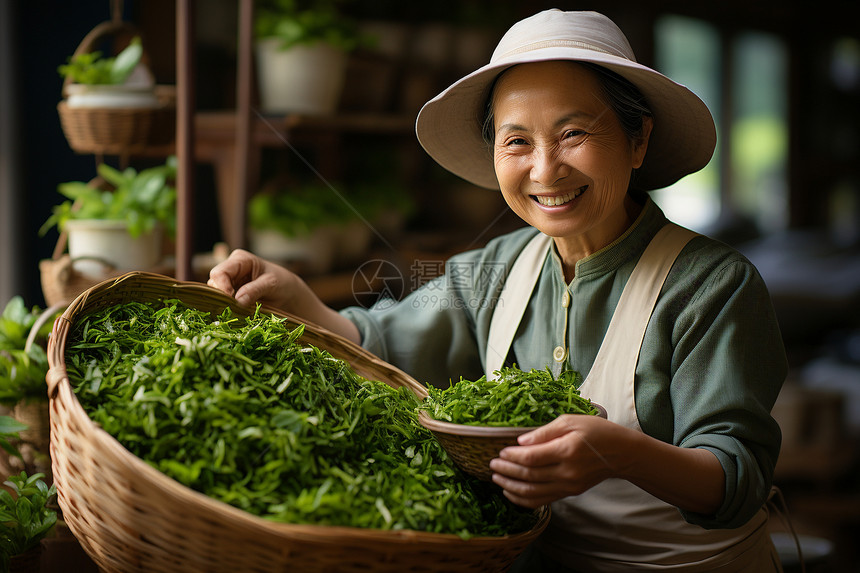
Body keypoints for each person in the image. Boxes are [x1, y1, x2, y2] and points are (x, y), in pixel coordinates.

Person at [208, 9, 787, 571]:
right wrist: (300, 303)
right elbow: (384, 342)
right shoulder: (495, 269)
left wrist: (618, 451)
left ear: (638, 140)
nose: (545, 170)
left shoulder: (710, 286)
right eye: (517, 142)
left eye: (573, 133)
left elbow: (738, 476)